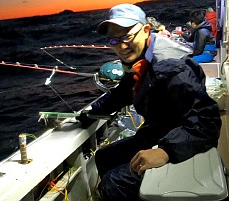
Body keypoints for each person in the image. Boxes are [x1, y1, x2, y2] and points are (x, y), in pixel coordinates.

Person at [77, 4, 221, 201]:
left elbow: (208, 122)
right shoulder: (139, 58)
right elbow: (123, 93)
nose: (122, 46)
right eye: (114, 40)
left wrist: (167, 151)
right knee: (104, 156)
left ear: (145, 30)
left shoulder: (171, 68)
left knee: (114, 182)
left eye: (127, 36)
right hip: (158, 132)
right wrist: (92, 111)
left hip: (183, 139)